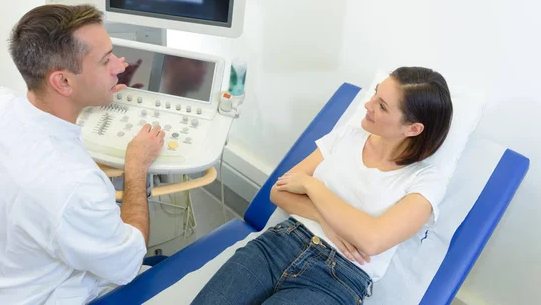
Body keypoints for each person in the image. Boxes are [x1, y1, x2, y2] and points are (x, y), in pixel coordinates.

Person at [0, 5, 165, 304]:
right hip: (35, 297)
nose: (121, 66)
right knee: (157, 263)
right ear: (63, 82)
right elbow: (127, 264)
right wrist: (136, 167)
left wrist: (89, 92)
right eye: (106, 62)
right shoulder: (75, 188)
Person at [192, 67, 453, 305]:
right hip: (280, 243)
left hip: (337, 280)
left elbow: (372, 240)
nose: (367, 105)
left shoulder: (426, 180)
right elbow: (279, 191)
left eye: (382, 106)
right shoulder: (348, 137)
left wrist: (312, 187)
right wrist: (324, 219)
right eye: (375, 94)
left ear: (413, 128)